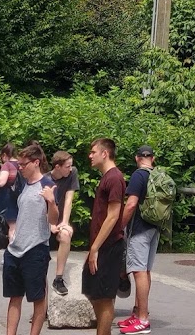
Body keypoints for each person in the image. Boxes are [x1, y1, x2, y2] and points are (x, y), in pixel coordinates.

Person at [2, 142, 58, 335]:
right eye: (19, 164)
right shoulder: (23, 184)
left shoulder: (47, 184)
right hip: (15, 248)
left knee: (38, 298)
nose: (20, 168)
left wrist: (52, 202)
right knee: (14, 296)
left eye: (24, 164)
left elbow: (53, 220)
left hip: (35, 249)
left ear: (36, 162)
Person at [83, 138, 126, 335]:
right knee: (93, 291)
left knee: (105, 297)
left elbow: (113, 215)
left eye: (93, 152)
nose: (90, 156)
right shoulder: (107, 177)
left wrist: (95, 248)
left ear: (104, 153)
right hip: (101, 245)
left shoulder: (115, 178)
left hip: (109, 245)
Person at [118, 147, 159, 334]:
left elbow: (131, 204)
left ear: (137, 158)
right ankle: (138, 313)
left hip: (139, 230)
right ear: (153, 158)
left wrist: (120, 226)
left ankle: (143, 320)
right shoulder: (157, 175)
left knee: (138, 272)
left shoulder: (138, 175)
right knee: (145, 271)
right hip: (154, 228)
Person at [48, 151, 79, 297]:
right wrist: (50, 224)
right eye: (67, 166)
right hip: (46, 220)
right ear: (57, 167)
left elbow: (68, 199)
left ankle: (58, 279)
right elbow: (41, 206)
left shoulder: (72, 173)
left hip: (59, 220)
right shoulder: (46, 180)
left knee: (66, 235)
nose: (70, 169)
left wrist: (64, 222)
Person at [0, 145, 19, 243]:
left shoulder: (7, 165)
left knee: (12, 227)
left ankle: (12, 248)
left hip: (8, 199)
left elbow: (1, 182)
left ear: (4, 155)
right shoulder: (21, 164)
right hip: (20, 197)